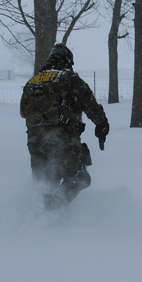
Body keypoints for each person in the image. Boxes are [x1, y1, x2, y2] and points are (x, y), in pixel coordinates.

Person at [20, 43, 109, 208]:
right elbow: (91, 106)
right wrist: (102, 125)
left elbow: (23, 112)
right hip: (63, 140)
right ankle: (54, 210)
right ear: (68, 61)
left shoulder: (32, 83)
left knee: (45, 183)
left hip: (35, 142)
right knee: (79, 178)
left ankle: (39, 214)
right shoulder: (70, 79)